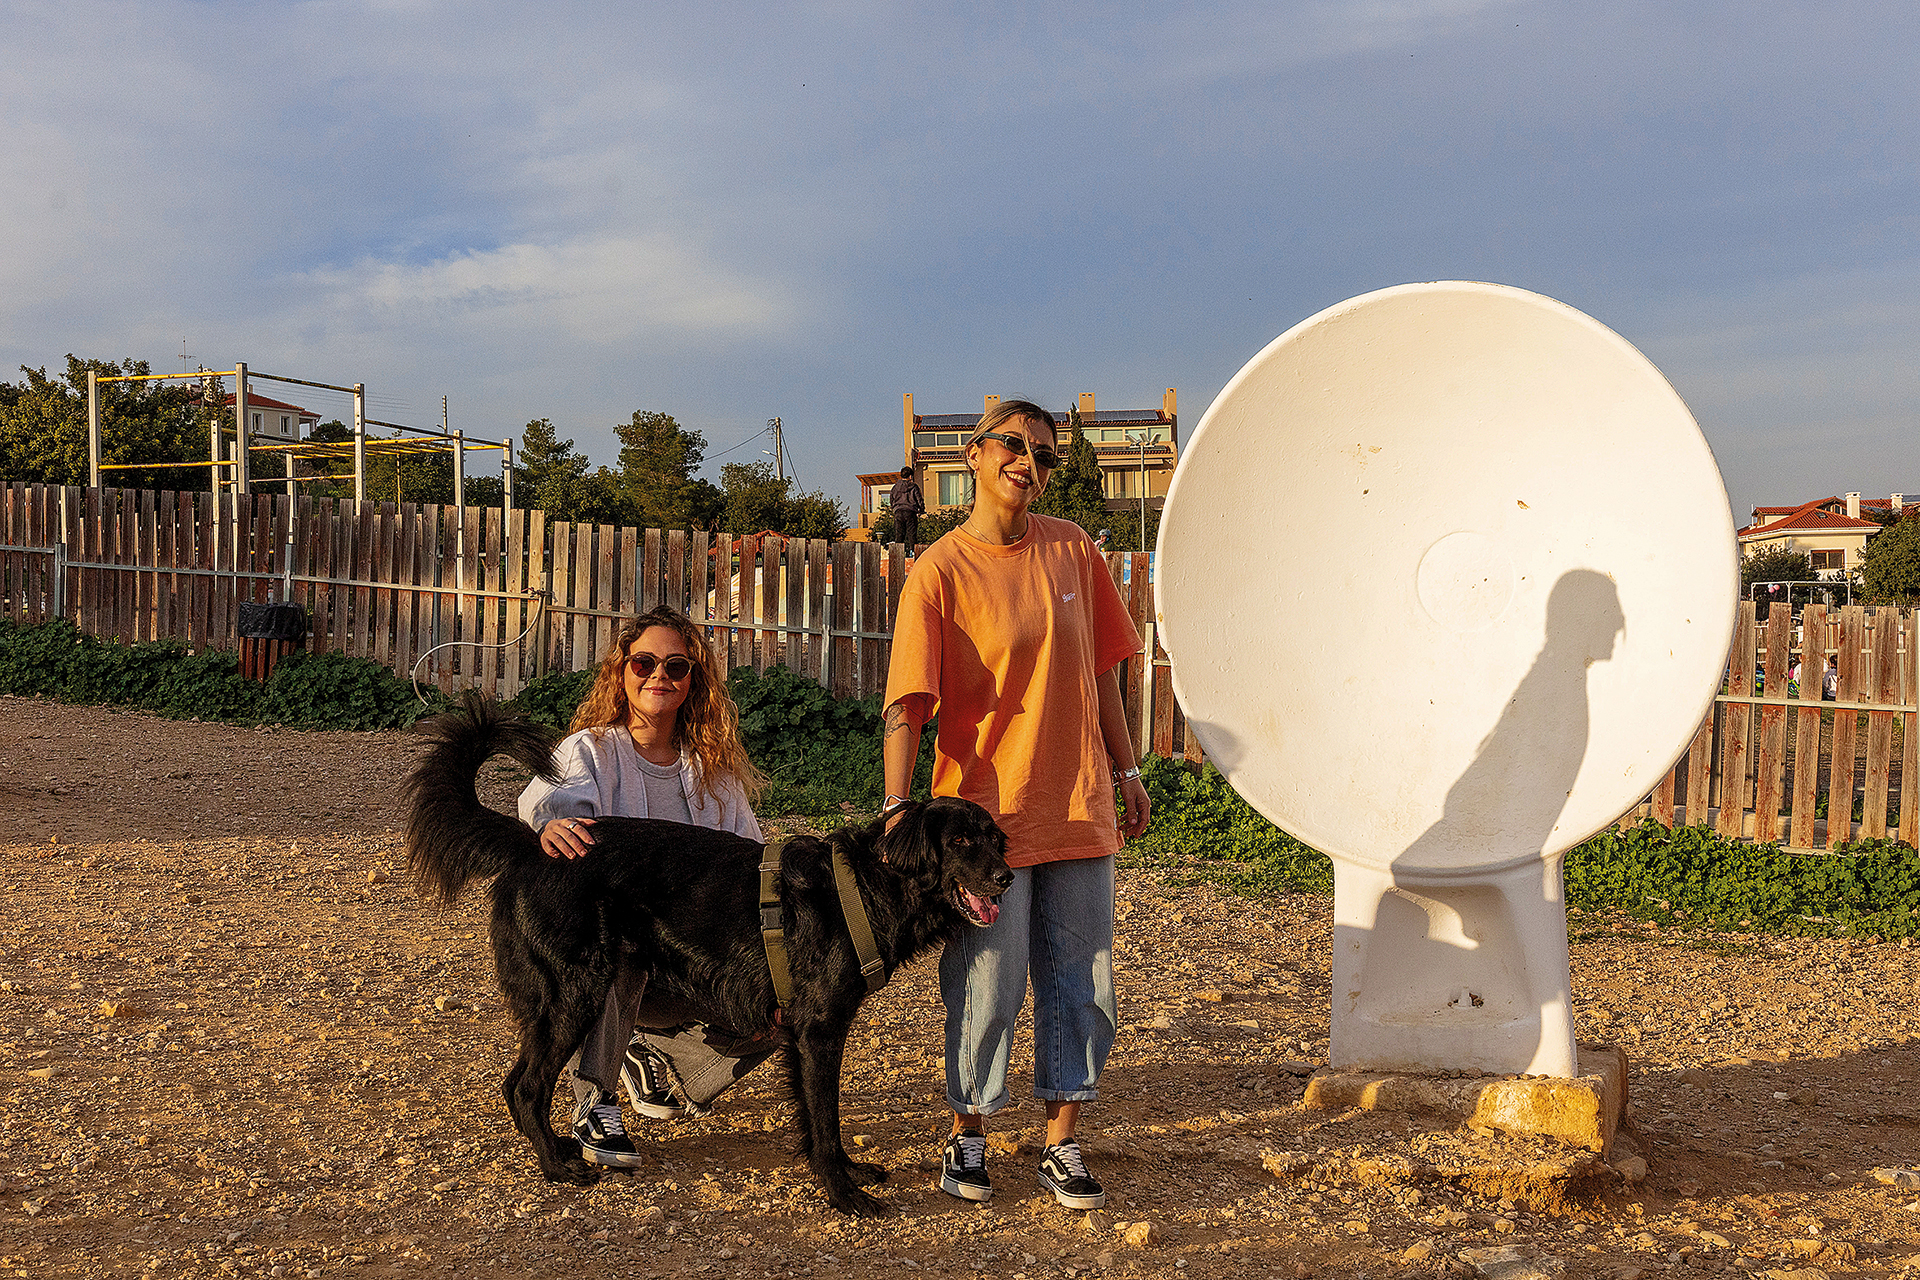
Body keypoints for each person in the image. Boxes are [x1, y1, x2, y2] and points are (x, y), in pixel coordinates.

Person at [881, 399, 1151, 1211]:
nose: (1027, 462)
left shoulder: (1072, 548)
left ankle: (1061, 1141)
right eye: (1014, 446)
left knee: (1082, 979)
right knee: (987, 983)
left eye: (1042, 452)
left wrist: (1129, 769)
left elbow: (1104, 669)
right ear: (973, 454)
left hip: (1075, 804)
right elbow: (908, 701)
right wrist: (898, 806)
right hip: (979, 827)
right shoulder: (940, 571)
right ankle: (968, 1135)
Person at [517, 604, 767, 1168]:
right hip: (611, 957)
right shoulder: (591, 752)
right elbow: (553, 819)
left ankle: (667, 1060)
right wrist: (550, 825)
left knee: (792, 1001)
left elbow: (755, 869)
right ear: (621, 672)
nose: (659, 676)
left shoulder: (714, 774)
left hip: (694, 963)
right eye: (644, 662)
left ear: (692, 681)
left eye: (676, 667)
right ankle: (596, 1096)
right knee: (620, 940)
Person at [890, 464, 925, 550]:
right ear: (910, 476)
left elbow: (891, 500)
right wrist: (921, 509)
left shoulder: (895, 487)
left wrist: (894, 509)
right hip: (910, 512)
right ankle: (913, 554)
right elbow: (919, 499)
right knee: (912, 536)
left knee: (899, 536)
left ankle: (898, 554)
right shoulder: (914, 487)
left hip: (898, 512)